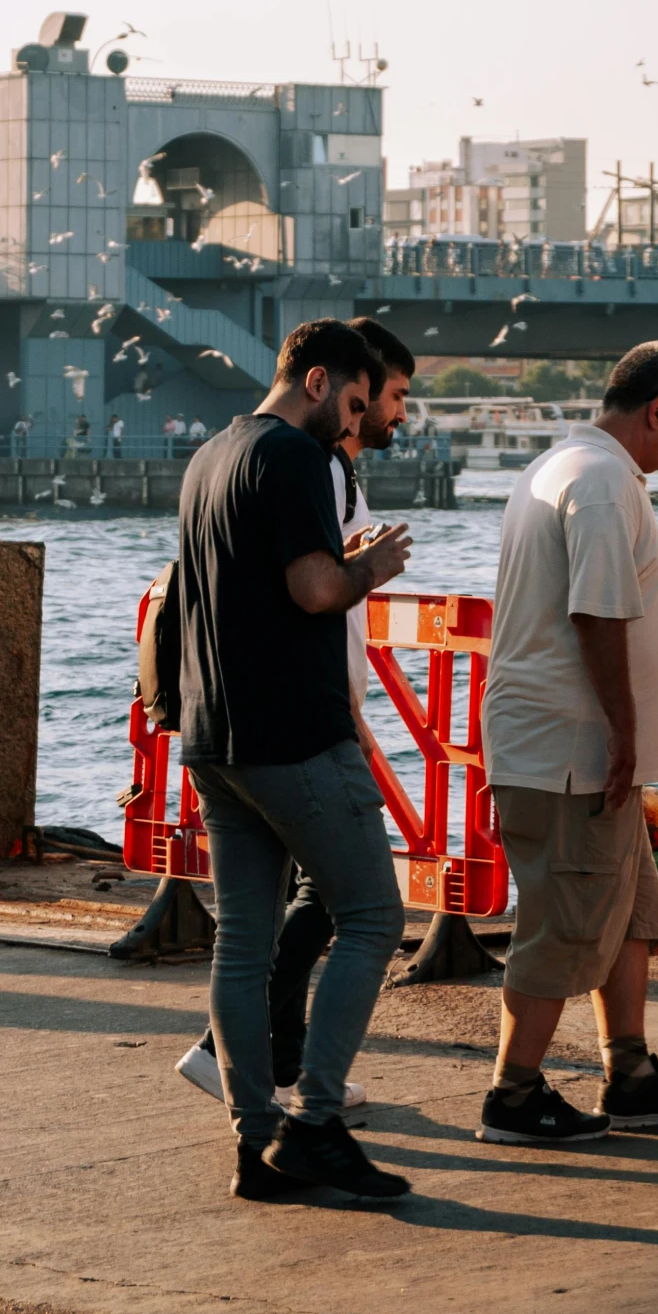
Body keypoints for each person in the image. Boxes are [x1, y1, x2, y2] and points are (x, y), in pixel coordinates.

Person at [179, 317, 414, 1204]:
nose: (352, 422)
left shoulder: (210, 456)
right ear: (317, 381)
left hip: (215, 734)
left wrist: (334, 565)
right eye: (354, 401)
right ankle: (315, 1124)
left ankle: (256, 1141)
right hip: (294, 732)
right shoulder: (290, 457)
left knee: (241, 942)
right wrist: (371, 569)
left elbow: (246, 585)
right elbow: (313, 590)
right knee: (369, 918)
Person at [477, 342, 658, 1145]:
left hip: (574, 749)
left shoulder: (565, 467)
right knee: (566, 922)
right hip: (574, 754)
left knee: (626, 915)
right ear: (657, 408)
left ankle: (631, 1074)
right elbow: (596, 612)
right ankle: (512, 1096)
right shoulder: (602, 482)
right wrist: (622, 734)